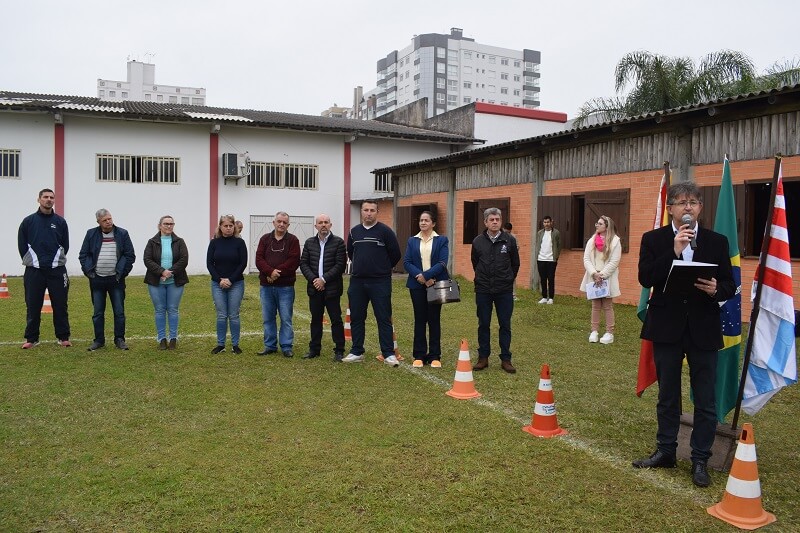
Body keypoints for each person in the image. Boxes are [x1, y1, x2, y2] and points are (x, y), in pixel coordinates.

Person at [633, 182, 735, 488]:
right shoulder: (654, 239)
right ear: (671, 209)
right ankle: (666, 451)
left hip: (703, 328)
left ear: (701, 208)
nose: (687, 207)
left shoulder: (718, 241)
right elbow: (646, 277)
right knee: (668, 395)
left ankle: (700, 458)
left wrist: (718, 289)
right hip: (667, 326)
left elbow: (730, 285)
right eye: (681, 202)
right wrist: (674, 250)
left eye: (693, 202)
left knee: (705, 398)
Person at [342, 200, 402, 366]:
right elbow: (351, 252)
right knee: (356, 317)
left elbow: (395, 254)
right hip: (358, 281)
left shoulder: (385, 231)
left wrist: (382, 268)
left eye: (372, 210)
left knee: (383, 317)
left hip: (380, 281)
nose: (369, 213)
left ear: (377, 212)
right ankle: (356, 351)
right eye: (366, 210)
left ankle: (388, 353)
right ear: (361, 212)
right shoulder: (354, 232)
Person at [18, 188, 72, 348]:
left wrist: (55, 260)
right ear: (39, 199)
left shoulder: (61, 222)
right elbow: (22, 245)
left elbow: (65, 245)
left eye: (51, 197)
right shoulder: (28, 221)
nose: (49, 200)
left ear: (54, 200)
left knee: (60, 304)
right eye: (45, 197)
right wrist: (33, 260)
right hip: (34, 271)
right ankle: (31, 338)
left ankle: (63, 337)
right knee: (32, 304)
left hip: (57, 270)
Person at [78, 209, 136, 351]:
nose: (109, 221)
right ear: (98, 222)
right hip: (97, 280)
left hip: (116, 280)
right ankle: (99, 340)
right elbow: (83, 255)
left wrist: (122, 273)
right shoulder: (91, 234)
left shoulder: (122, 233)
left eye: (110, 218)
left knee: (119, 311)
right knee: (98, 312)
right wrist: (89, 272)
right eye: (105, 220)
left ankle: (120, 339)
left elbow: (130, 256)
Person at [471, 207, 520, 374]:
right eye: (491, 219)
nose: (494, 222)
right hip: (484, 289)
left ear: (500, 221)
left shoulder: (510, 241)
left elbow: (516, 264)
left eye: (497, 219)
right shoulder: (477, 241)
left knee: (505, 325)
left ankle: (506, 358)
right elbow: (475, 263)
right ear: (485, 222)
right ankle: (483, 357)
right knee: (483, 323)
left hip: (504, 290)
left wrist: (507, 279)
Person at [403, 211, 449, 368]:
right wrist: (421, 277)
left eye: (426, 220)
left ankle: (435, 355)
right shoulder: (412, 240)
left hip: (435, 284)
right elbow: (407, 262)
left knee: (434, 319)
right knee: (420, 319)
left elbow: (443, 262)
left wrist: (429, 276)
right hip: (417, 285)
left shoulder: (441, 240)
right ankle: (419, 355)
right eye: (421, 220)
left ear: (433, 223)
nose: (423, 223)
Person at [299, 213, 347, 361]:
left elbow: (340, 265)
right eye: (320, 223)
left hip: (332, 289)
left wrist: (324, 280)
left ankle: (339, 350)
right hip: (314, 289)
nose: (323, 225)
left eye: (326, 222)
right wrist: (314, 280)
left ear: (330, 225)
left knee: (336, 320)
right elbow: (304, 263)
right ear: (316, 226)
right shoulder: (309, 243)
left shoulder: (338, 242)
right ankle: (314, 349)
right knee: (315, 319)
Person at [255, 211, 300, 357]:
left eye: (284, 222)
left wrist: (275, 273)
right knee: (268, 317)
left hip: (285, 287)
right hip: (266, 286)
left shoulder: (293, 240)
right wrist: (269, 272)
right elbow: (259, 259)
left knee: (286, 318)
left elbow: (293, 261)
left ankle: (286, 346)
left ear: (288, 225)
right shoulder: (264, 239)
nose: (281, 224)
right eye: (279, 221)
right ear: (273, 222)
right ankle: (270, 345)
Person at [143, 215, 189, 350]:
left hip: (175, 281)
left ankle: (173, 338)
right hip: (156, 282)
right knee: (160, 310)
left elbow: (184, 259)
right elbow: (147, 259)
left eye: (171, 224)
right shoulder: (152, 242)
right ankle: (162, 339)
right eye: (166, 224)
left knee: (173, 309)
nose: (169, 226)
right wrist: (162, 271)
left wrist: (170, 272)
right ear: (160, 226)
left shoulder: (180, 242)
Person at [207, 214, 248, 355]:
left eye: (231, 226)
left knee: (234, 315)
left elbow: (243, 263)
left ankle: (235, 345)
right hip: (217, 283)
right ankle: (220, 344)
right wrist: (219, 280)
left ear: (234, 227)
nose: (228, 228)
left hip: (236, 283)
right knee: (221, 315)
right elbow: (209, 264)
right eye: (225, 226)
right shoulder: (214, 243)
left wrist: (230, 279)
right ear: (220, 227)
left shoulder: (239, 243)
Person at [580, 215, 622, 344]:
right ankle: (594, 330)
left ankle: (609, 333)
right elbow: (586, 259)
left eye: (600, 224)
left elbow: (614, 261)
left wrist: (602, 275)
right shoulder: (592, 240)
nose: (597, 225)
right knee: (595, 305)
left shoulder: (615, 241)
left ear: (607, 226)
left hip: (607, 277)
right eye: (597, 223)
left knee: (608, 305)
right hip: (594, 276)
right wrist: (594, 273)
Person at [536, 215, 561, 304]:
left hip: (551, 260)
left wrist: (556, 256)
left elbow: (559, 246)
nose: (546, 224)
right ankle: (544, 297)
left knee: (551, 278)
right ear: (543, 223)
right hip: (541, 259)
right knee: (542, 279)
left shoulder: (556, 233)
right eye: (545, 222)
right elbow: (538, 244)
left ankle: (550, 297)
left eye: (548, 222)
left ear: (551, 222)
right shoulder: (540, 233)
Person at [502, 222, 519, 300]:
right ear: (503, 229)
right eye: (506, 232)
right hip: (501, 260)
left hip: (510, 260)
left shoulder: (513, 237)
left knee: (512, 277)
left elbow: (517, 247)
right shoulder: (499, 236)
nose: (508, 234)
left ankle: (513, 294)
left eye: (509, 232)